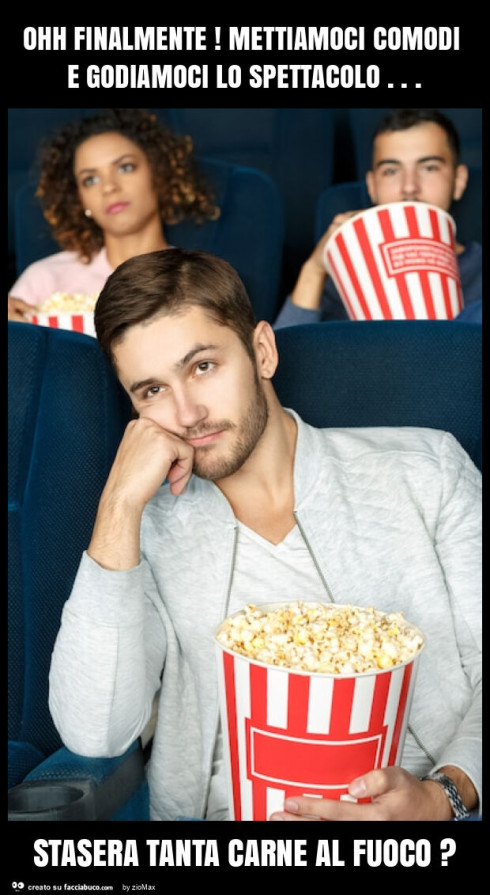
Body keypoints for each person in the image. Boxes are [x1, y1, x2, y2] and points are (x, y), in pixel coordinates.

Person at [48, 248, 481, 823]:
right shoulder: (142, 532)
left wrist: (442, 798)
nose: (187, 413)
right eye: (151, 391)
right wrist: (119, 504)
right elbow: (94, 732)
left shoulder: (425, 470)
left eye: (202, 366)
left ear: (262, 351)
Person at [274, 109, 482, 329]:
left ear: (459, 180)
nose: (409, 187)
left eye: (429, 168)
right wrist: (315, 268)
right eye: (391, 171)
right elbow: (281, 358)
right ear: (372, 187)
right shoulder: (345, 276)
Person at [8, 108, 219, 322]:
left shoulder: (201, 278)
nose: (109, 187)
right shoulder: (45, 280)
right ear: (81, 200)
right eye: (90, 180)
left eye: (125, 167)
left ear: (159, 173)